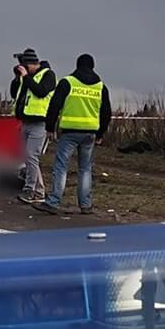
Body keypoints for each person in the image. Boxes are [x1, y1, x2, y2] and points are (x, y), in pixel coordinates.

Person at [42, 53, 112, 215]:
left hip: (70, 132)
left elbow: (54, 106)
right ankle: (85, 205)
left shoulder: (68, 82)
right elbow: (106, 112)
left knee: (61, 166)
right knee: (85, 169)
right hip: (90, 134)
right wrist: (101, 133)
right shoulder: (101, 87)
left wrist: (49, 127)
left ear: (77, 65)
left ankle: (53, 202)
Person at [9, 48, 55, 202]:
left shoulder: (48, 75)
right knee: (28, 157)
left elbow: (40, 91)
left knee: (31, 156)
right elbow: (15, 93)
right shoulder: (26, 77)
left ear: (30, 64)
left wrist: (26, 77)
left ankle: (30, 190)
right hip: (26, 121)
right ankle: (39, 192)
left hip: (39, 122)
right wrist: (17, 79)